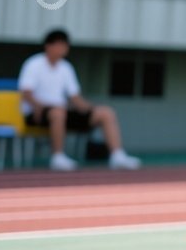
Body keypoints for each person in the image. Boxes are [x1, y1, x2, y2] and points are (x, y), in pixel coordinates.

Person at [18, 29, 141, 171]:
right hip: (37, 113)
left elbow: (75, 97)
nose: (62, 49)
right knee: (58, 112)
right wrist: (37, 106)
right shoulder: (34, 64)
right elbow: (26, 92)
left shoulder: (66, 67)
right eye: (59, 45)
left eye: (65, 45)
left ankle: (117, 155)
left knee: (105, 112)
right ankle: (57, 156)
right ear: (48, 46)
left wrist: (90, 109)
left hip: (62, 111)